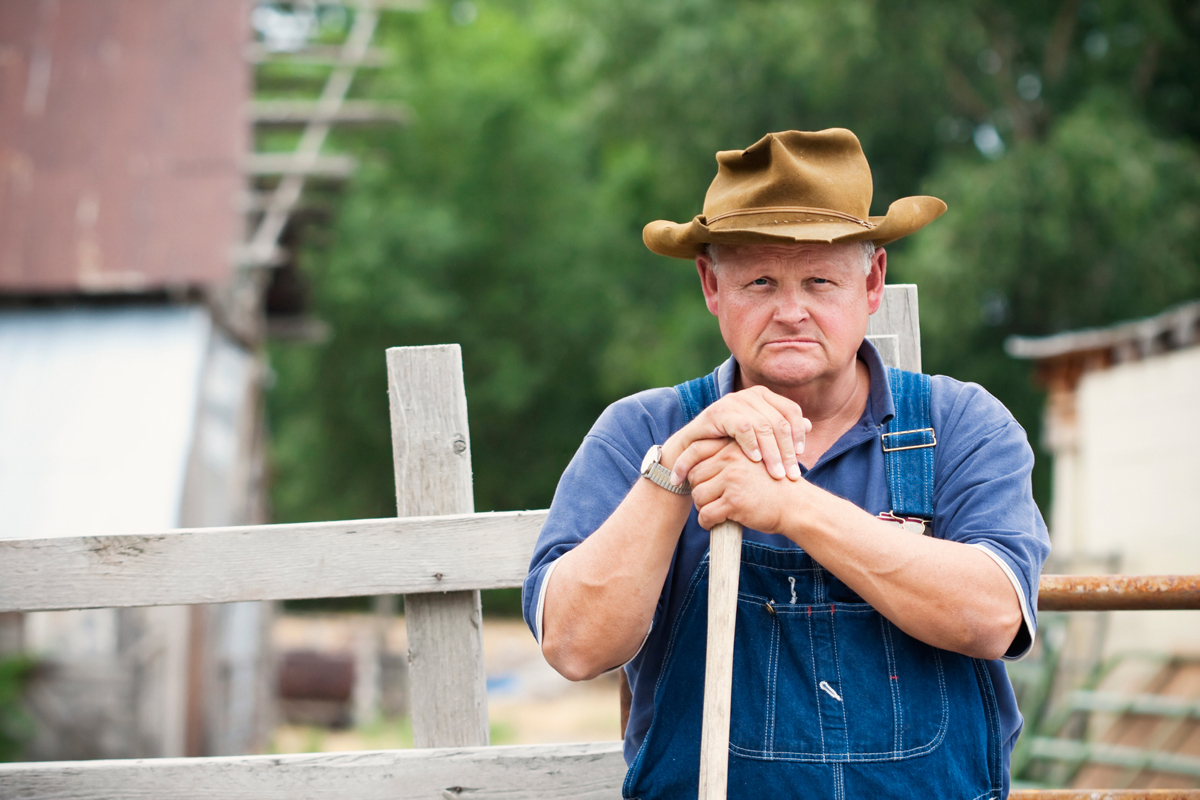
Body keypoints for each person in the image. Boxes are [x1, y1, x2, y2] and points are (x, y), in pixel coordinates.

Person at [522, 128, 1050, 799]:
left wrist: (789, 506)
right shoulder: (644, 434)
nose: (791, 311)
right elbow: (574, 645)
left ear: (873, 281)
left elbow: (994, 615)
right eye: (761, 281)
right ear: (712, 286)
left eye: (819, 280)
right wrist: (673, 473)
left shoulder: (959, 425)